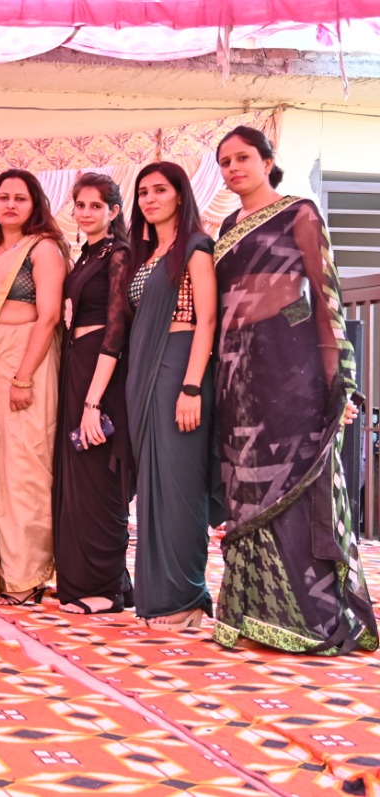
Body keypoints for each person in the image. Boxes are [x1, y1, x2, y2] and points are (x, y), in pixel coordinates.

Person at [211, 126, 377, 654]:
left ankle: (310, 618)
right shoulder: (226, 228)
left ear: (267, 161)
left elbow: (326, 296)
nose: (233, 168)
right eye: (224, 162)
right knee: (245, 487)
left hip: (289, 365)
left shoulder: (299, 212)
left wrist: (340, 382)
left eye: (242, 158)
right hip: (235, 371)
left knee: (293, 478)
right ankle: (252, 612)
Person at [0, 169, 67, 606]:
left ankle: (27, 576)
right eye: (3, 197)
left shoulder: (43, 248)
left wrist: (24, 375)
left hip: (28, 359)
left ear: (34, 204)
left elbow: (49, 315)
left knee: (24, 468)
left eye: (20, 198)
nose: (10, 205)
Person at [125, 161, 220, 632]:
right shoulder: (146, 255)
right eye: (143, 192)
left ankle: (188, 597)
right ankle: (161, 596)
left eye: (160, 190)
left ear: (180, 195)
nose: (150, 199)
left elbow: (207, 320)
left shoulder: (195, 248)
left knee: (180, 487)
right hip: (144, 374)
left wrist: (191, 386)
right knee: (153, 490)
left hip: (180, 369)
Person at [52, 173, 135, 615]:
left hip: (101, 375)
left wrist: (93, 402)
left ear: (113, 211)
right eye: (80, 205)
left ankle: (105, 589)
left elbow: (116, 331)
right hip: (77, 366)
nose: (85, 213)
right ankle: (110, 581)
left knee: (99, 477)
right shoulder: (87, 253)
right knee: (78, 480)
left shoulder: (119, 254)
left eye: (95, 206)